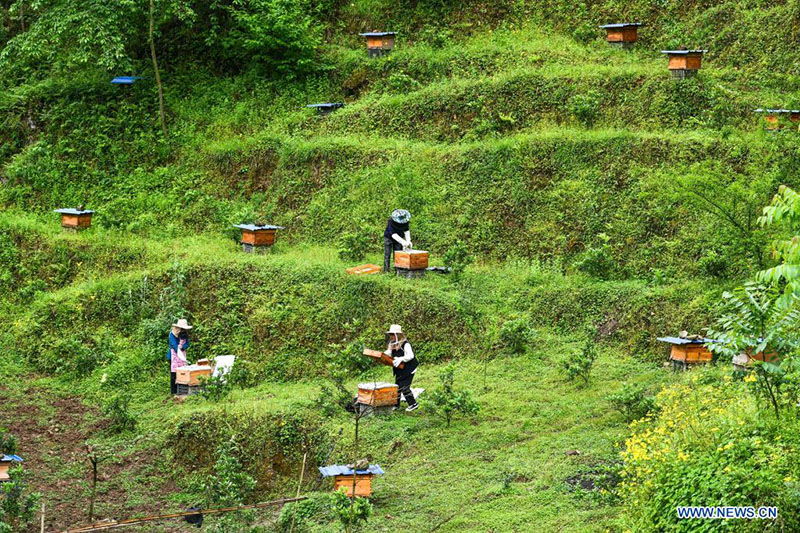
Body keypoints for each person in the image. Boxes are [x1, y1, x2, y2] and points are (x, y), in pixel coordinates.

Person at [384, 324, 419, 411]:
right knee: (397, 387)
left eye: (392, 334)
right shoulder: (392, 344)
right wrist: (381, 356)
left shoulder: (405, 344)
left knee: (404, 387)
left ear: (397, 335)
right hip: (400, 369)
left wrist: (401, 359)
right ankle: (396, 405)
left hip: (409, 368)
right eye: (390, 334)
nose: (391, 336)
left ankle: (413, 404)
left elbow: (411, 355)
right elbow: (388, 353)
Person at [167, 319, 192, 395]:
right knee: (174, 374)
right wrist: (178, 349)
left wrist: (183, 347)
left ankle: (181, 390)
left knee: (182, 372)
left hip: (182, 354)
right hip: (173, 355)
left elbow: (187, 343)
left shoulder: (184, 335)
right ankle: (173, 392)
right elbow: (173, 345)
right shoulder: (172, 334)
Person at [384, 209, 412, 273]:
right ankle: (386, 270)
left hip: (399, 238)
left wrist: (408, 241)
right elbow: (393, 235)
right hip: (388, 238)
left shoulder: (406, 221)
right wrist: (403, 242)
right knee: (387, 254)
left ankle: (397, 269)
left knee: (398, 254)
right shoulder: (391, 222)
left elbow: (406, 230)